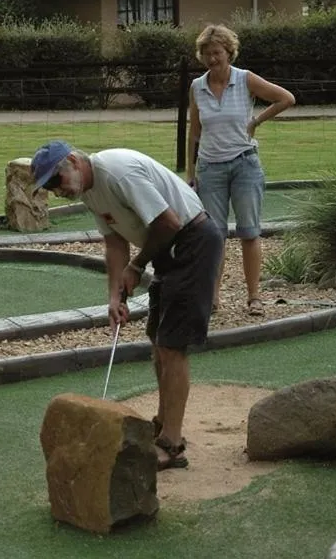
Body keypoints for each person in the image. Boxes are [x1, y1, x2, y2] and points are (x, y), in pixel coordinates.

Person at [31, 141, 223, 470]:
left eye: (55, 181)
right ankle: (162, 422)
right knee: (158, 340)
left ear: (74, 162)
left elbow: (168, 222)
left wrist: (136, 267)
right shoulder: (89, 191)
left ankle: (172, 444)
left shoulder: (117, 172)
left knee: (173, 346)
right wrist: (114, 296)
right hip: (167, 250)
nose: (55, 191)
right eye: (48, 186)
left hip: (192, 242)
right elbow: (114, 242)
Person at [187, 24, 295, 315]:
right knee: (214, 235)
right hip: (210, 167)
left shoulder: (245, 79)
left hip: (244, 163)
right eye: (207, 53)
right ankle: (212, 296)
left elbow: (286, 98)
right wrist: (190, 171)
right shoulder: (197, 86)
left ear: (229, 52)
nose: (212, 59)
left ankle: (254, 297)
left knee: (249, 231)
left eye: (217, 52)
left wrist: (257, 120)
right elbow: (194, 132)